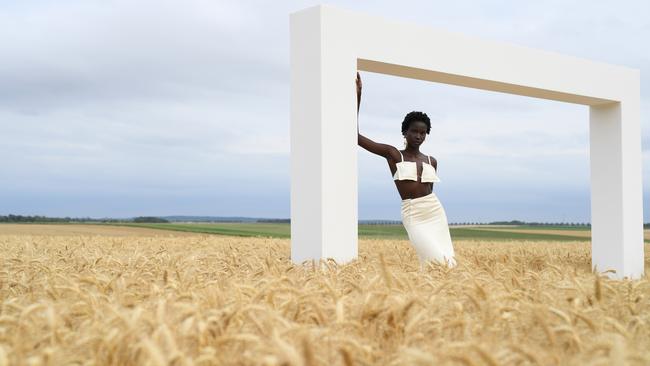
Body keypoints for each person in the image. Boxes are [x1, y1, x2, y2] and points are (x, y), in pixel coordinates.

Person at [355, 72, 457, 269]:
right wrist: (358, 97)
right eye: (414, 131)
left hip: (435, 212)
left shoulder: (431, 160)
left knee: (446, 262)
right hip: (413, 214)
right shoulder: (393, 154)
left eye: (423, 132)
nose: (418, 136)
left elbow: (429, 192)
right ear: (405, 132)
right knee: (435, 258)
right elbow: (356, 137)